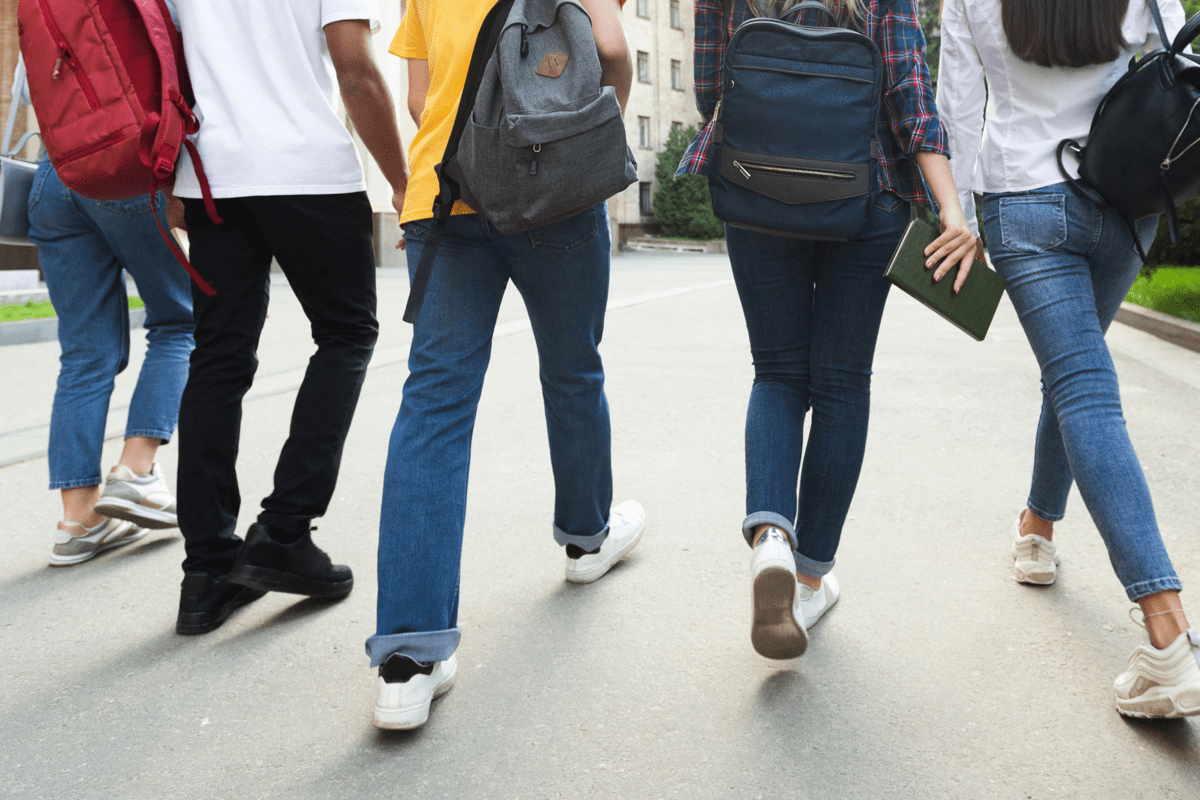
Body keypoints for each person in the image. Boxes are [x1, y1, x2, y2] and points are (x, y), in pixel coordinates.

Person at [368, 0, 642, 731]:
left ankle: (408, 657)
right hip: (552, 186)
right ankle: (587, 538)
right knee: (573, 370)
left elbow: (421, 97)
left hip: (447, 188)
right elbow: (611, 53)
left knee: (434, 406)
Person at [679, 0, 977, 660]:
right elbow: (907, 94)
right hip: (864, 196)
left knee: (777, 374)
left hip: (756, 190)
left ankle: (771, 540)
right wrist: (952, 209)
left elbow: (711, 91)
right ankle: (809, 578)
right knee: (842, 386)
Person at [938, 0, 1200, 718]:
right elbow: (1179, 54)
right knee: (1078, 375)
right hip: (1123, 196)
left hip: (1023, 200)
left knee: (1080, 384)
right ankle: (1038, 529)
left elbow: (956, 105)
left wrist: (956, 211)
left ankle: (1169, 637)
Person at [168, 0, 408, 635]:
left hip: (212, 176)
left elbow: (164, 63)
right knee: (347, 335)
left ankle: (207, 573)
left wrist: (169, 178)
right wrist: (402, 182)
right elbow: (355, 69)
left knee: (217, 359)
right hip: (308, 172)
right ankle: (284, 530)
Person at [19, 58, 195, 567]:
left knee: (84, 354)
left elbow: (30, 95)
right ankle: (135, 471)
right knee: (180, 320)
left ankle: (78, 521)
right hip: (125, 165)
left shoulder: (42, 8)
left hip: (55, 176)